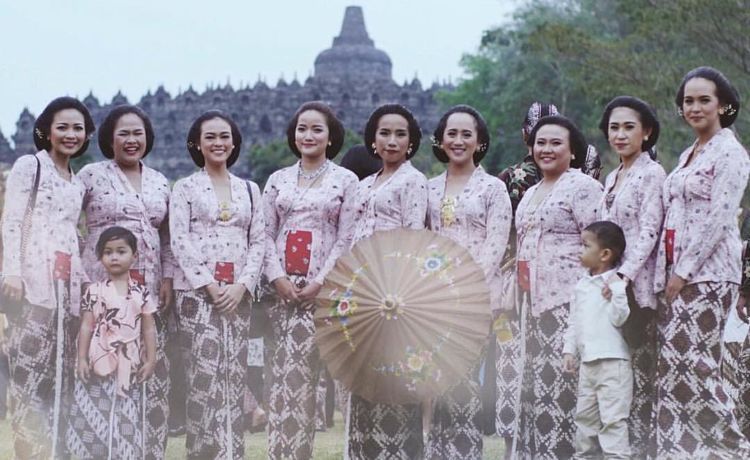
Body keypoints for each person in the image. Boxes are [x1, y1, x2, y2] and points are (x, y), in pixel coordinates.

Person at [653, 66, 750, 457]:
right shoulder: (686, 154)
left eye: (703, 100)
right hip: (677, 273)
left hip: (708, 275)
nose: (694, 107)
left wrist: (683, 272)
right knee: (675, 369)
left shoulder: (730, 152)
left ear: (723, 105)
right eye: (688, 101)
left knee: (696, 366)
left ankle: (734, 448)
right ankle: (682, 449)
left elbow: (719, 219)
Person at [262, 101, 358, 459]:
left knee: (344, 384)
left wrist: (321, 281)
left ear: (331, 136)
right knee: (289, 386)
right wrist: (277, 279)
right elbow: (264, 235)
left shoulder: (346, 181)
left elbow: (347, 238)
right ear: (293, 134)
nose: (309, 135)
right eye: (302, 128)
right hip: (285, 295)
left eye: (317, 129)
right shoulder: (278, 180)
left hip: (329, 293)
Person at [78, 104, 174, 458]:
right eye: (124, 133)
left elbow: (166, 237)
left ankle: (149, 451)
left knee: (149, 368)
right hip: (102, 291)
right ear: (108, 139)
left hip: (147, 294)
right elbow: (66, 220)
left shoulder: (161, 181)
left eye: (138, 133)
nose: (132, 140)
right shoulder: (90, 175)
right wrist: (83, 271)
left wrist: (166, 278)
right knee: (106, 371)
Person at [1, 96, 93, 458]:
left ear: (86, 136)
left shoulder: (77, 182)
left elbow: (73, 235)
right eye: (63, 127)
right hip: (31, 289)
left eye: (78, 128)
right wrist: (12, 271)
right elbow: (11, 219)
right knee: (28, 384)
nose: (71, 134)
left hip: (66, 291)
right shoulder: (30, 166)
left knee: (61, 385)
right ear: (46, 131)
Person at [170, 110, 265, 459]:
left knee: (234, 375)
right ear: (197, 143)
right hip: (197, 294)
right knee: (204, 376)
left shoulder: (250, 190)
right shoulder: (184, 188)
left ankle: (232, 452)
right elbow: (179, 240)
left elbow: (258, 242)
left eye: (224, 136)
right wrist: (209, 285)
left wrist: (242, 285)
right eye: (210, 136)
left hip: (238, 294)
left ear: (234, 141)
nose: (218, 143)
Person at [425, 105, 512, 459]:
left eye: (467, 135)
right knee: (433, 382)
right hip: (431, 299)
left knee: (465, 386)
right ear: (440, 140)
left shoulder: (493, 189)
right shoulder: (427, 189)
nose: (458, 141)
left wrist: (466, 285)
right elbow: (421, 241)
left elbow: (496, 242)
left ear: (480, 142)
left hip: (475, 299)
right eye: (452, 134)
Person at [514, 115, 603, 458]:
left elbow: (599, 247)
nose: (546, 149)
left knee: (565, 387)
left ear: (573, 150)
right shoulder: (533, 191)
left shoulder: (583, 187)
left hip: (569, 302)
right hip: (532, 304)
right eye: (540, 142)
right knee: (537, 388)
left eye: (555, 143)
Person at [346, 104, 428, 458]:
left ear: (411, 142)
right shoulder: (364, 185)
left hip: (394, 293)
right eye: (384, 133)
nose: (392, 141)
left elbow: (413, 236)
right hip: (360, 291)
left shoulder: (414, 180)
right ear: (373, 140)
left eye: (400, 134)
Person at [597, 95, 665, 458]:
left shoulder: (651, 173)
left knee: (642, 370)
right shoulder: (613, 176)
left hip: (636, 288)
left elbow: (649, 232)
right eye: (614, 128)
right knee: (618, 374)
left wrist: (623, 276)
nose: (620, 135)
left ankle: (644, 448)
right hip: (611, 286)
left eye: (629, 127)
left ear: (647, 132)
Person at [495, 101, 558, 456]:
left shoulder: (509, 177)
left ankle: (517, 447)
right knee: (522, 367)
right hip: (523, 285)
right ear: (526, 138)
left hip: (525, 284)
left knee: (516, 370)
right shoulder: (515, 180)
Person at [67, 226, 157, 458]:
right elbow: (86, 326)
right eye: (108, 252)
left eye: (121, 251)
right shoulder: (94, 292)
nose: (114, 256)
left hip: (129, 365)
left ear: (134, 255)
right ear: (100, 257)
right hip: (99, 361)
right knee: (96, 416)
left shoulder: (142, 293)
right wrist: (82, 358)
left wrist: (152, 358)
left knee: (125, 417)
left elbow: (148, 328)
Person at [563, 221, 633, 458]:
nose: (579, 250)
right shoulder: (582, 285)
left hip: (613, 362)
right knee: (584, 419)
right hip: (588, 363)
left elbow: (620, 318)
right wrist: (569, 350)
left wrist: (618, 291)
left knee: (613, 420)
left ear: (604, 254)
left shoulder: (615, 282)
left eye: (585, 245)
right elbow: (575, 320)